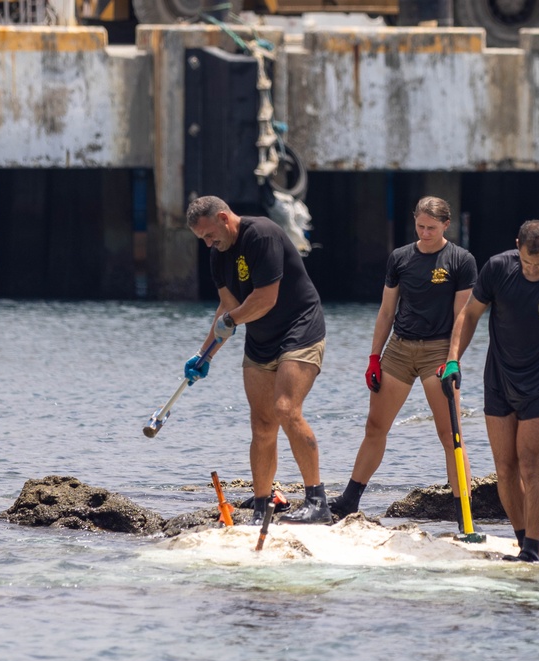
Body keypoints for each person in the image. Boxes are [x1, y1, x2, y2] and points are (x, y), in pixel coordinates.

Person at [441, 220, 539, 562]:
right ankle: (523, 541)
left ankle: (533, 550)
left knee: (529, 466)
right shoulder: (498, 268)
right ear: (517, 247)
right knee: (504, 468)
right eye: (526, 263)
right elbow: (469, 315)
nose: (533, 270)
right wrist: (453, 360)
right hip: (497, 379)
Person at [329, 196, 478, 530]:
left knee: (450, 434)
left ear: (445, 225)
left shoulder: (461, 260)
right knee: (375, 427)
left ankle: (465, 517)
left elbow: (462, 319)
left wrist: (453, 360)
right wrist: (373, 357)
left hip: (438, 353)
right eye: (420, 226)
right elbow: (386, 312)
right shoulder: (400, 258)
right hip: (398, 349)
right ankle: (349, 500)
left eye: (431, 228)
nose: (424, 233)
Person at [184, 195, 331, 525]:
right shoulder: (217, 256)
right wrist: (203, 354)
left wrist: (232, 321)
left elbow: (265, 299)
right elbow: (226, 308)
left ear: (224, 217)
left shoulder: (260, 234)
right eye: (202, 239)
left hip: (300, 329)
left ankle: (317, 501)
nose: (208, 243)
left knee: (285, 409)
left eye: (209, 235)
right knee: (262, 424)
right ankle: (263, 506)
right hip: (262, 338)